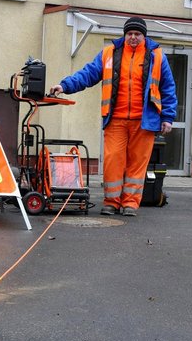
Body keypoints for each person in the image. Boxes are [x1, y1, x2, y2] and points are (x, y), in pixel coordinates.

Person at [49, 17, 177, 216]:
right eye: (130, 34)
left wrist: (167, 117)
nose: (133, 37)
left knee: (137, 165)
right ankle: (111, 202)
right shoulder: (110, 53)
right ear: (124, 35)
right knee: (112, 161)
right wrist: (65, 86)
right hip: (115, 120)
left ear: (144, 36)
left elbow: (168, 88)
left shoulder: (157, 56)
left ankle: (130, 204)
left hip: (145, 122)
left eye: (137, 34)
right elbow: (88, 74)